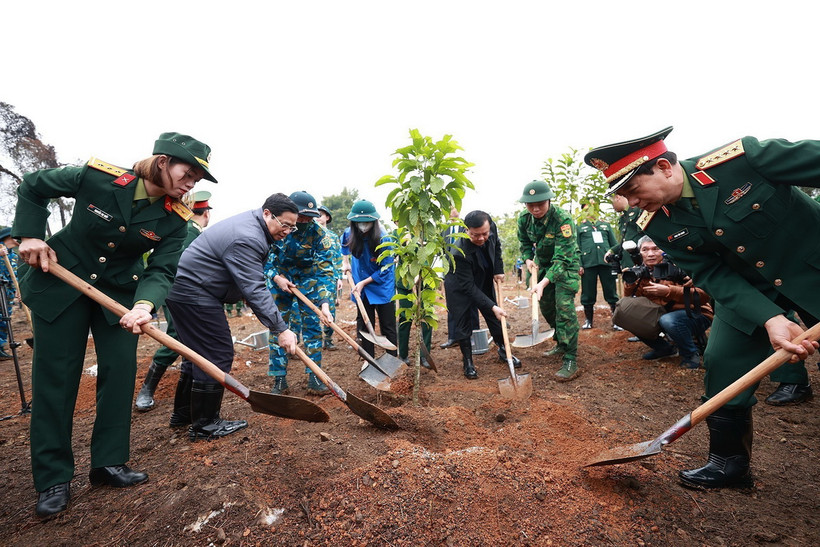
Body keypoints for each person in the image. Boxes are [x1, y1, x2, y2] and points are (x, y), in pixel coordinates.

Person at [584, 126, 820, 489]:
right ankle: (728, 463)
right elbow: (711, 272)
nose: (631, 203)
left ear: (663, 167)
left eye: (633, 190)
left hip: (812, 267)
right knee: (723, 361)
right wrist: (770, 317)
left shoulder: (743, 161)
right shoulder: (657, 223)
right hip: (749, 292)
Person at [12, 132, 216, 518]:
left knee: (120, 372)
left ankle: (108, 462)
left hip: (121, 297)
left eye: (198, 179)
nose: (192, 183)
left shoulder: (176, 218)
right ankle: (53, 477)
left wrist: (144, 306)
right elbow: (34, 186)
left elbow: (162, 268)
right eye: (187, 172)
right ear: (162, 162)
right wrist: (31, 235)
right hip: (61, 283)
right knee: (57, 377)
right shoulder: (97, 178)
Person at [165, 193, 299, 440]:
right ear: (267, 213)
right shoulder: (248, 237)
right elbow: (255, 287)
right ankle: (205, 425)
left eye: (293, 227)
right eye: (285, 224)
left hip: (187, 291)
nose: (288, 231)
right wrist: (281, 329)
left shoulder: (253, 226)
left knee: (196, 354)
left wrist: (241, 292)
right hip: (195, 293)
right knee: (217, 353)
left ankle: (184, 414)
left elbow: (240, 275)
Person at [135, 191, 213, 411]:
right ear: (206, 213)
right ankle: (147, 389)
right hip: (179, 294)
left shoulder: (196, 233)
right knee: (177, 337)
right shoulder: (188, 232)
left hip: (192, 296)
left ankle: (191, 393)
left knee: (193, 339)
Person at [265, 191, 334, 395]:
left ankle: (314, 377)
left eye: (308, 217)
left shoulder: (320, 235)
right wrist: (276, 277)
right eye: (301, 216)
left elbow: (325, 271)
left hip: (308, 281)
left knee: (313, 329)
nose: (304, 221)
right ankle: (279, 379)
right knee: (278, 329)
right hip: (280, 281)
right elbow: (264, 259)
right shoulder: (278, 228)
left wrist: (325, 305)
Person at [517, 180, 582, 381]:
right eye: (530, 205)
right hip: (542, 266)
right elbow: (525, 242)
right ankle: (561, 343)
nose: (535, 209)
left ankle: (571, 357)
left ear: (549, 201)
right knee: (547, 307)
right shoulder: (524, 219)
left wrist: (544, 283)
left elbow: (562, 258)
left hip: (566, 266)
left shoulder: (563, 219)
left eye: (540, 204)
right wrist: (528, 259)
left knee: (564, 308)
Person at [444, 210, 521, 379]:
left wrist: (498, 270)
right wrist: (492, 306)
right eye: (475, 235)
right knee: (463, 323)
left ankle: (504, 350)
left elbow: (497, 246)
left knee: (494, 317)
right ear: (466, 230)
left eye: (484, 234)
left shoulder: (490, 228)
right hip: (460, 285)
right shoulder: (459, 252)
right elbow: (469, 287)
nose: (481, 238)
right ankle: (468, 362)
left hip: (483, 276)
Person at [621, 235, 713, 369]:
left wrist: (669, 291)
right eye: (645, 250)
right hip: (664, 316)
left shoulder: (679, 266)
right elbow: (630, 302)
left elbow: (703, 297)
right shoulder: (639, 271)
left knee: (668, 320)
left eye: (656, 249)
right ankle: (663, 349)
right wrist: (630, 283)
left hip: (697, 314)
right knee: (628, 314)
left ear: (663, 250)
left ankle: (690, 355)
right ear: (639, 253)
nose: (651, 254)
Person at [341, 199, 398, 359]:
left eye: (366, 222)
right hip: (360, 285)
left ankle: (392, 359)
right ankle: (369, 360)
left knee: (388, 326)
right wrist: (346, 262)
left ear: (374, 221)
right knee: (365, 325)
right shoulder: (349, 233)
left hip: (381, 285)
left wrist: (364, 282)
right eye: (359, 222)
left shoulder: (384, 238)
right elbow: (344, 245)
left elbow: (386, 269)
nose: (363, 225)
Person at [576, 197, 620, 330]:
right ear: (583, 209)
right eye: (588, 207)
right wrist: (579, 264)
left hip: (606, 262)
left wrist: (615, 261)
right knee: (588, 293)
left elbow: (615, 244)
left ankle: (617, 321)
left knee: (611, 292)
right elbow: (576, 246)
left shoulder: (605, 225)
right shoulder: (579, 226)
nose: (591, 210)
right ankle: (588, 321)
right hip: (588, 264)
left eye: (594, 207)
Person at [440, 207, 478, 348]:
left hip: (467, 272)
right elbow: (442, 253)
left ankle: (473, 335)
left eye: (454, 207)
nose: (451, 210)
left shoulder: (466, 226)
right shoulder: (444, 229)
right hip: (450, 273)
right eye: (448, 208)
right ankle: (453, 337)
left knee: (471, 304)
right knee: (452, 306)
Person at [315, 204, 343, 351]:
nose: (318, 217)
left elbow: (338, 258)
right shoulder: (311, 235)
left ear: (327, 217)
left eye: (320, 214)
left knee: (330, 309)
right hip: (312, 278)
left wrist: (338, 278)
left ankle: (328, 339)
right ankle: (313, 341)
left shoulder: (333, 237)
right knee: (311, 310)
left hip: (329, 278)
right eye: (315, 214)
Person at [0, 226, 20, 359]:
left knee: (4, 321)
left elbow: (15, 275)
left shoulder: (13, 255)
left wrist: (19, 290)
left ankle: (0, 347)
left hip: (8, 294)